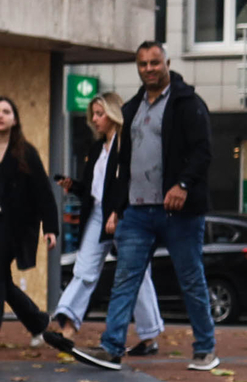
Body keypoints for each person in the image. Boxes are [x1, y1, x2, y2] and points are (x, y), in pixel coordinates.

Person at [74, 42, 217, 373]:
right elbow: (124, 164)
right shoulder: (132, 107)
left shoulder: (188, 103)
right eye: (143, 64)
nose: (149, 69)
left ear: (167, 62)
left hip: (178, 211)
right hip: (137, 212)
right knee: (124, 278)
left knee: (191, 278)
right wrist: (116, 207)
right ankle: (111, 348)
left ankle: (205, 349)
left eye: (155, 63)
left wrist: (182, 185)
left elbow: (203, 152)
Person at [49, 91, 164, 356]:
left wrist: (118, 211)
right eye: (93, 114)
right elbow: (94, 188)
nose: (95, 119)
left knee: (137, 275)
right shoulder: (96, 148)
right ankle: (66, 327)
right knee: (84, 268)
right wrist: (74, 186)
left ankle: (149, 335)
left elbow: (130, 181)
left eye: (100, 113)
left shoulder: (129, 143)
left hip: (126, 215)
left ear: (113, 113)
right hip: (98, 213)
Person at [0, 96, 66, 352]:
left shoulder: (25, 152)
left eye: (6, 111)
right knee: (0, 280)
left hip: (17, 223)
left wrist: (50, 227)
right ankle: (38, 322)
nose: (0, 115)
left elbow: (43, 191)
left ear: (14, 119)